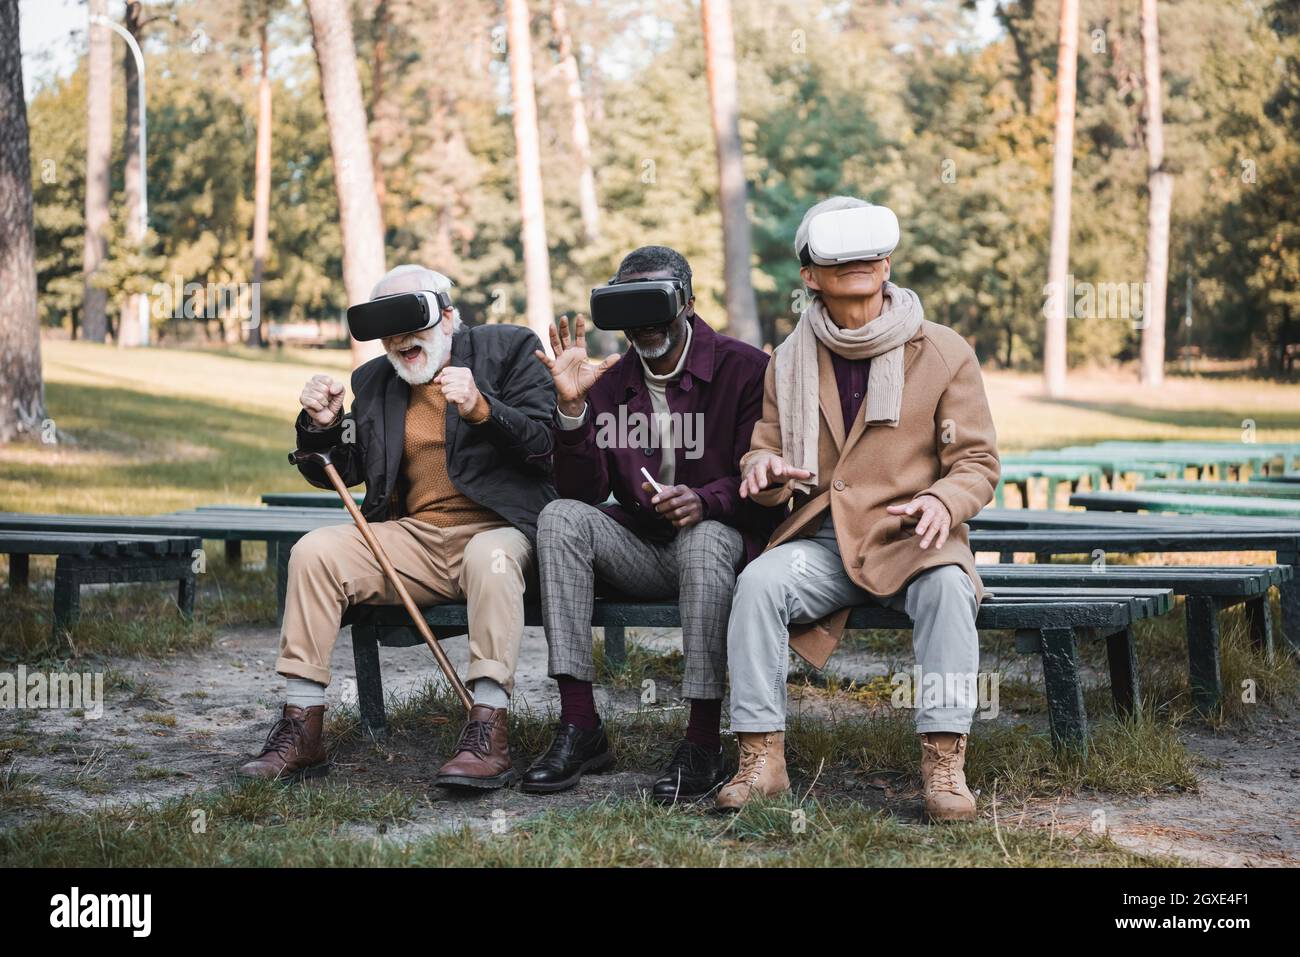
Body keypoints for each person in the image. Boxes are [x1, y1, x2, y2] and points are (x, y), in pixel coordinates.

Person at [718, 198, 1000, 821]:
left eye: (868, 251)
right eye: (836, 255)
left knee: (951, 591)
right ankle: (761, 759)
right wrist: (761, 473)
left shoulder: (945, 350)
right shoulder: (787, 360)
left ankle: (944, 762)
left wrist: (942, 499)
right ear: (809, 276)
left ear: (887, 262)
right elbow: (764, 453)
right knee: (759, 584)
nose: (856, 262)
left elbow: (976, 464)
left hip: (914, 538)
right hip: (825, 544)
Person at [238, 264, 556, 789]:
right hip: (414, 539)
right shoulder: (375, 381)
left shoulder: (509, 349)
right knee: (315, 551)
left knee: (488, 557)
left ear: (449, 316)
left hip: (502, 531)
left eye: (413, 322)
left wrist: (482, 409)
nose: (401, 340)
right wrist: (320, 429)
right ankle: (302, 726)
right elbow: (348, 469)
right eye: (388, 328)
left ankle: (487, 728)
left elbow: (546, 448)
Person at [524, 245, 776, 802]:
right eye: (628, 306)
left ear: (688, 301)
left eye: (656, 303)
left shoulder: (745, 369)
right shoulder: (611, 381)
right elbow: (583, 492)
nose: (644, 323)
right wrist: (572, 411)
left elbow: (768, 486)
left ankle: (703, 741)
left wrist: (707, 501)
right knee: (559, 517)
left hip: (719, 546)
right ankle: (580, 726)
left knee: (705, 537)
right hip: (642, 547)